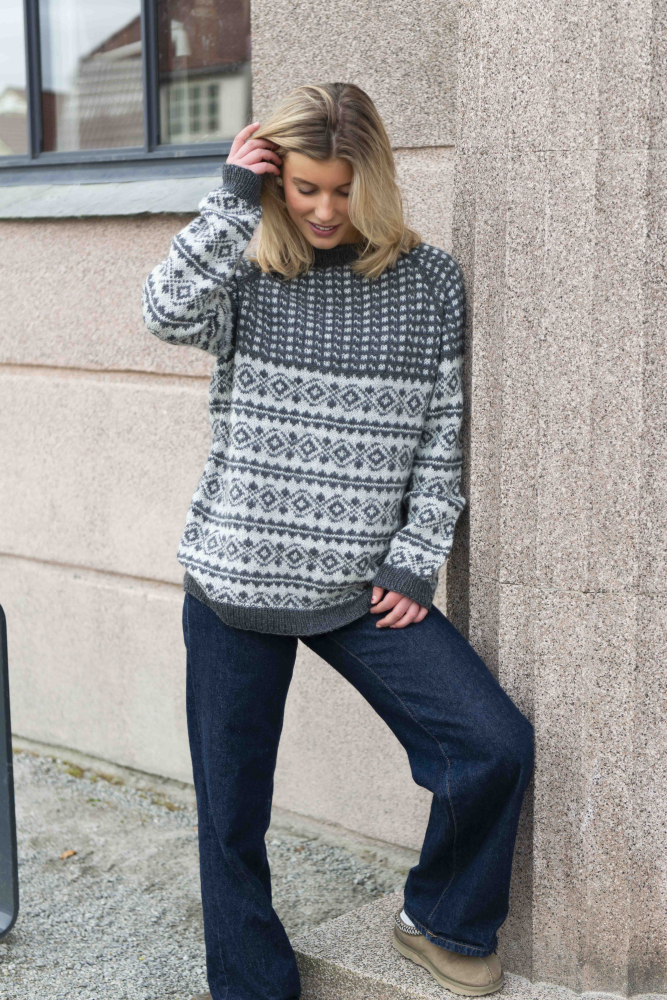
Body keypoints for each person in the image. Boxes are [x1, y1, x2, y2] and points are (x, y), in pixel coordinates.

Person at [141, 82, 534, 1000]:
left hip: (362, 590)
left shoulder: (428, 282)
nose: (323, 209)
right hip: (235, 586)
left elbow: (440, 436)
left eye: (343, 190)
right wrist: (229, 202)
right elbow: (164, 311)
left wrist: (416, 556)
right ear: (276, 184)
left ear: (377, 181)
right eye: (304, 188)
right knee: (231, 822)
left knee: (491, 743)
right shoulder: (244, 269)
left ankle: (441, 920)